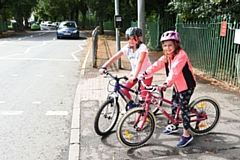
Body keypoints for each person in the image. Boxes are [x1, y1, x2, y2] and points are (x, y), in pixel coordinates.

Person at [143, 30, 196, 147]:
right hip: (177, 85)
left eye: (170, 45)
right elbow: (157, 65)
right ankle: (174, 124)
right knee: (174, 104)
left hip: (186, 85)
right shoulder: (167, 56)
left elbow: (175, 71)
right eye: (165, 45)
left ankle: (187, 134)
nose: (167, 48)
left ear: (176, 44)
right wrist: (144, 73)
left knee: (183, 108)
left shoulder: (181, 55)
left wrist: (166, 83)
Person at [99, 27, 153, 113]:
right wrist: (104, 66)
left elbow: (140, 62)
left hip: (145, 74)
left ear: (139, 38)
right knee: (124, 90)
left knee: (143, 98)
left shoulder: (142, 48)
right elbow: (115, 57)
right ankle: (130, 105)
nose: (131, 41)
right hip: (135, 73)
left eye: (133, 38)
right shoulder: (127, 48)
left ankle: (145, 116)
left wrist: (135, 76)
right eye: (129, 38)